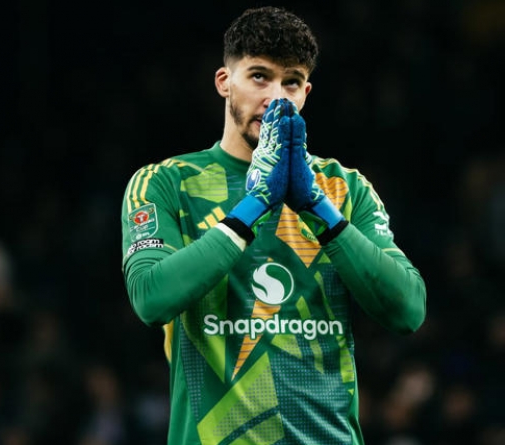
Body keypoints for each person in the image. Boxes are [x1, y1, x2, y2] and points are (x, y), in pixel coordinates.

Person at [119, 6, 427, 445]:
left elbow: (408, 310)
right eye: (259, 76)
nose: (276, 97)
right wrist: (256, 203)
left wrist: (317, 207)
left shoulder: (343, 188)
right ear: (224, 82)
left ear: (306, 93)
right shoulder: (166, 183)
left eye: (292, 82)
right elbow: (152, 298)